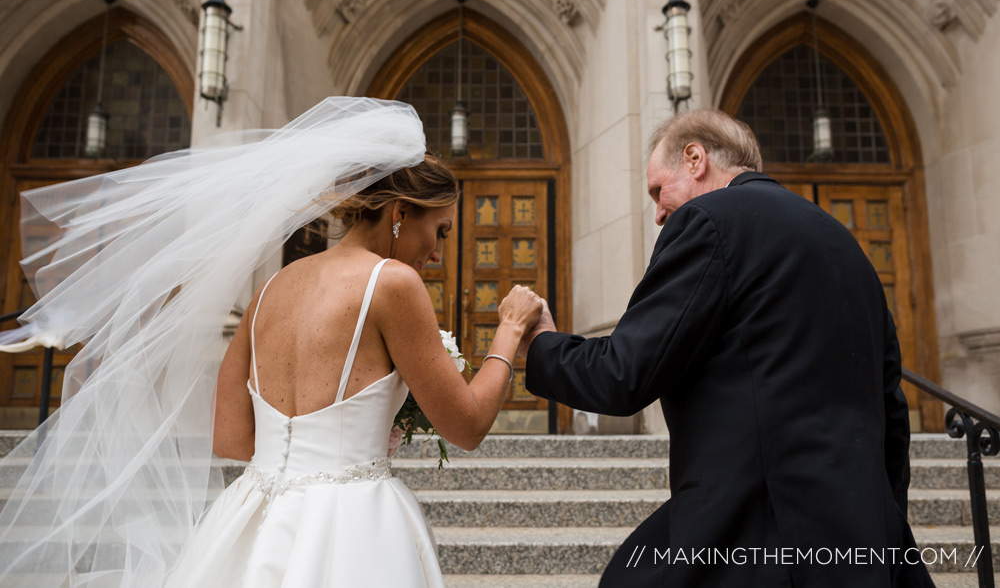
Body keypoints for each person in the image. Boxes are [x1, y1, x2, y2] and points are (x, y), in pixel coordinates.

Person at [0, 98, 542, 587]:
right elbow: (466, 426)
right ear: (400, 214)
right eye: (441, 231)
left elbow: (231, 438)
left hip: (252, 519)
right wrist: (511, 330)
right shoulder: (392, 284)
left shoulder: (270, 290)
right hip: (354, 525)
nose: (439, 252)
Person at [523, 109, 934, 587]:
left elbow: (624, 372)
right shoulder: (847, 245)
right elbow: (892, 412)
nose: (658, 212)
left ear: (695, 159)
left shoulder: (709, 221)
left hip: (753, 532)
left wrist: (543, 344)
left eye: (658, 190)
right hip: (860, 535)